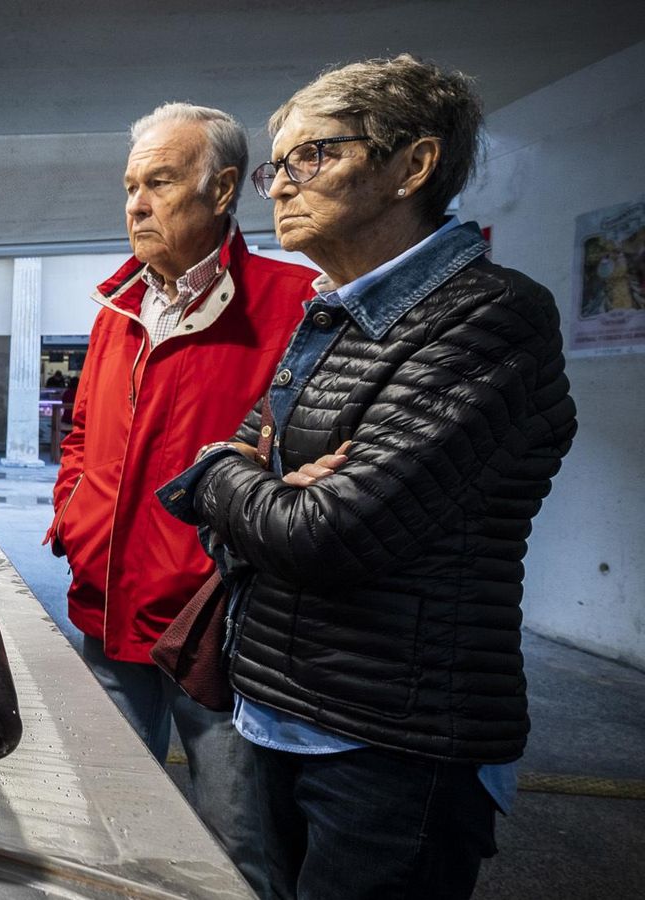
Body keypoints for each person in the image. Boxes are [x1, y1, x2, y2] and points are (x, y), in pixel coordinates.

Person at [159, 55, 577, 899]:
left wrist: (231, 477)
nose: (278, 185)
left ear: (412, 167)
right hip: (279, 705)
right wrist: (245, 479)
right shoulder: (336, 316)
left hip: (394, 737)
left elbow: (329, 533)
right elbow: (218, 479)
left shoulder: (491, 316)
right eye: (278, 165)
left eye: (313, 157)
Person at [45, 102, 315, 894]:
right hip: (106, 606)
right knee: (108, 830)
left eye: (159, 182)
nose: (135, 203)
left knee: (237, 844)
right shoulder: (118, 310)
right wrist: (75, 522)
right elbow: (82, 433)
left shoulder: (294, 304)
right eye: (131, 185)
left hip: (219, 629)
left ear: (223, 188)